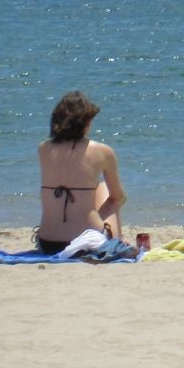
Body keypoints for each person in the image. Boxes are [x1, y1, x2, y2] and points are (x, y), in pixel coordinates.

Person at [36, 91, 128, 253]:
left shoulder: (43, 149)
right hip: (88, 241)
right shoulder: (103, 151)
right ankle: (116, 239)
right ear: (86, 123)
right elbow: (118, 198)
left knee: (90, 190)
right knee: (104, 189)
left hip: (48, 243)